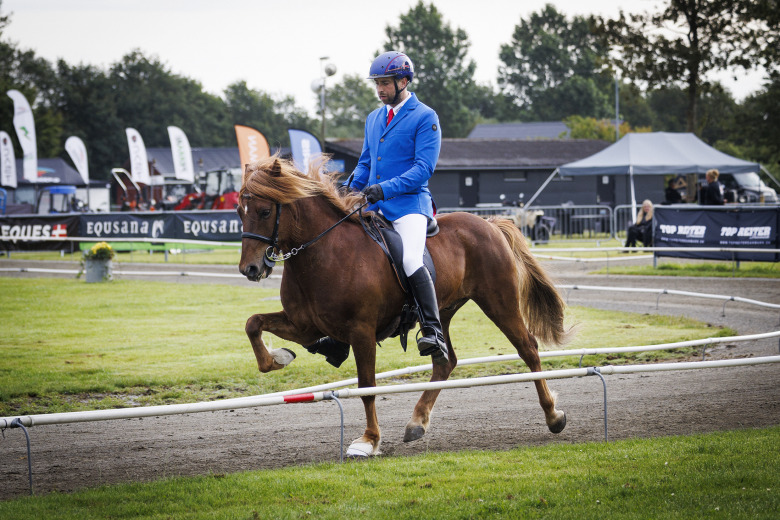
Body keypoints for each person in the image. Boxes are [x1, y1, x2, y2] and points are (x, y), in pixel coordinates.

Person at [305, 50, 449, 367]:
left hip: (409, 205)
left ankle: (432, 330)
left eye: (385, 83)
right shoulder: (374, 118)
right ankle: (340, 338)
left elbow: (423, 168)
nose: (380, 89)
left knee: (411, 258)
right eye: (377, 84)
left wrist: (384, 188)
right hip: (373, 204)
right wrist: (350, 189)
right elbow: (367, 162)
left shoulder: (426, 117)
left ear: (403, 81)